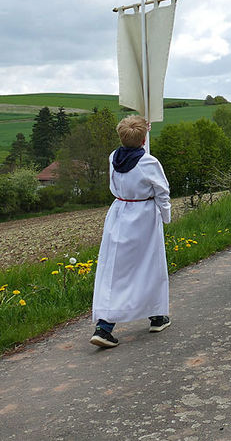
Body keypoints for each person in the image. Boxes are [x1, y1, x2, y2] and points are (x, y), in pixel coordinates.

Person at [90, 115, 172, 348]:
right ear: (144, 138)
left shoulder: (113, 158)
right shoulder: (148, 163)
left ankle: (151, 315)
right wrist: (166, 216)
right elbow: (162, 191)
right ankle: (110, 326)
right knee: (148, 266)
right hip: (143, 215)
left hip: (119, 212)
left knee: (115, 269)